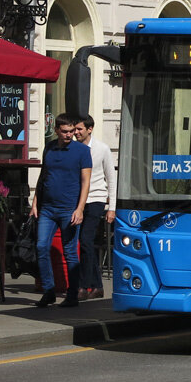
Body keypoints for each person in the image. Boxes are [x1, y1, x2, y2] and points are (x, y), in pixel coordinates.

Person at [30, 113, 92, 308]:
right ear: (56, 130)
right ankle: (48, 291)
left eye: (72, 131)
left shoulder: (82, 151)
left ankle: (72, 295)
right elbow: (43, 176)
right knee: (41, 247)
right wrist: (35, 202)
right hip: (47, 208)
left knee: (69, 251)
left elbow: (86, 182)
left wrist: (80, 208)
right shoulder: (49, 148)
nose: (69, 135)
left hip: (69, 209)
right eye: (64, 132)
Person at [76, 115, 116, 301]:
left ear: (90, 129)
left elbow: (111, 178)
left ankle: (84, 286)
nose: (76, 133)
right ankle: (98, 286)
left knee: (85, 241)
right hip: (76, 201)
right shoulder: (73, 148)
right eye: (74, 129)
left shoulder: (102, 149)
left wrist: (112, 207)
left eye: (79, 129)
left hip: (96, 199)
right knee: (85, 244)